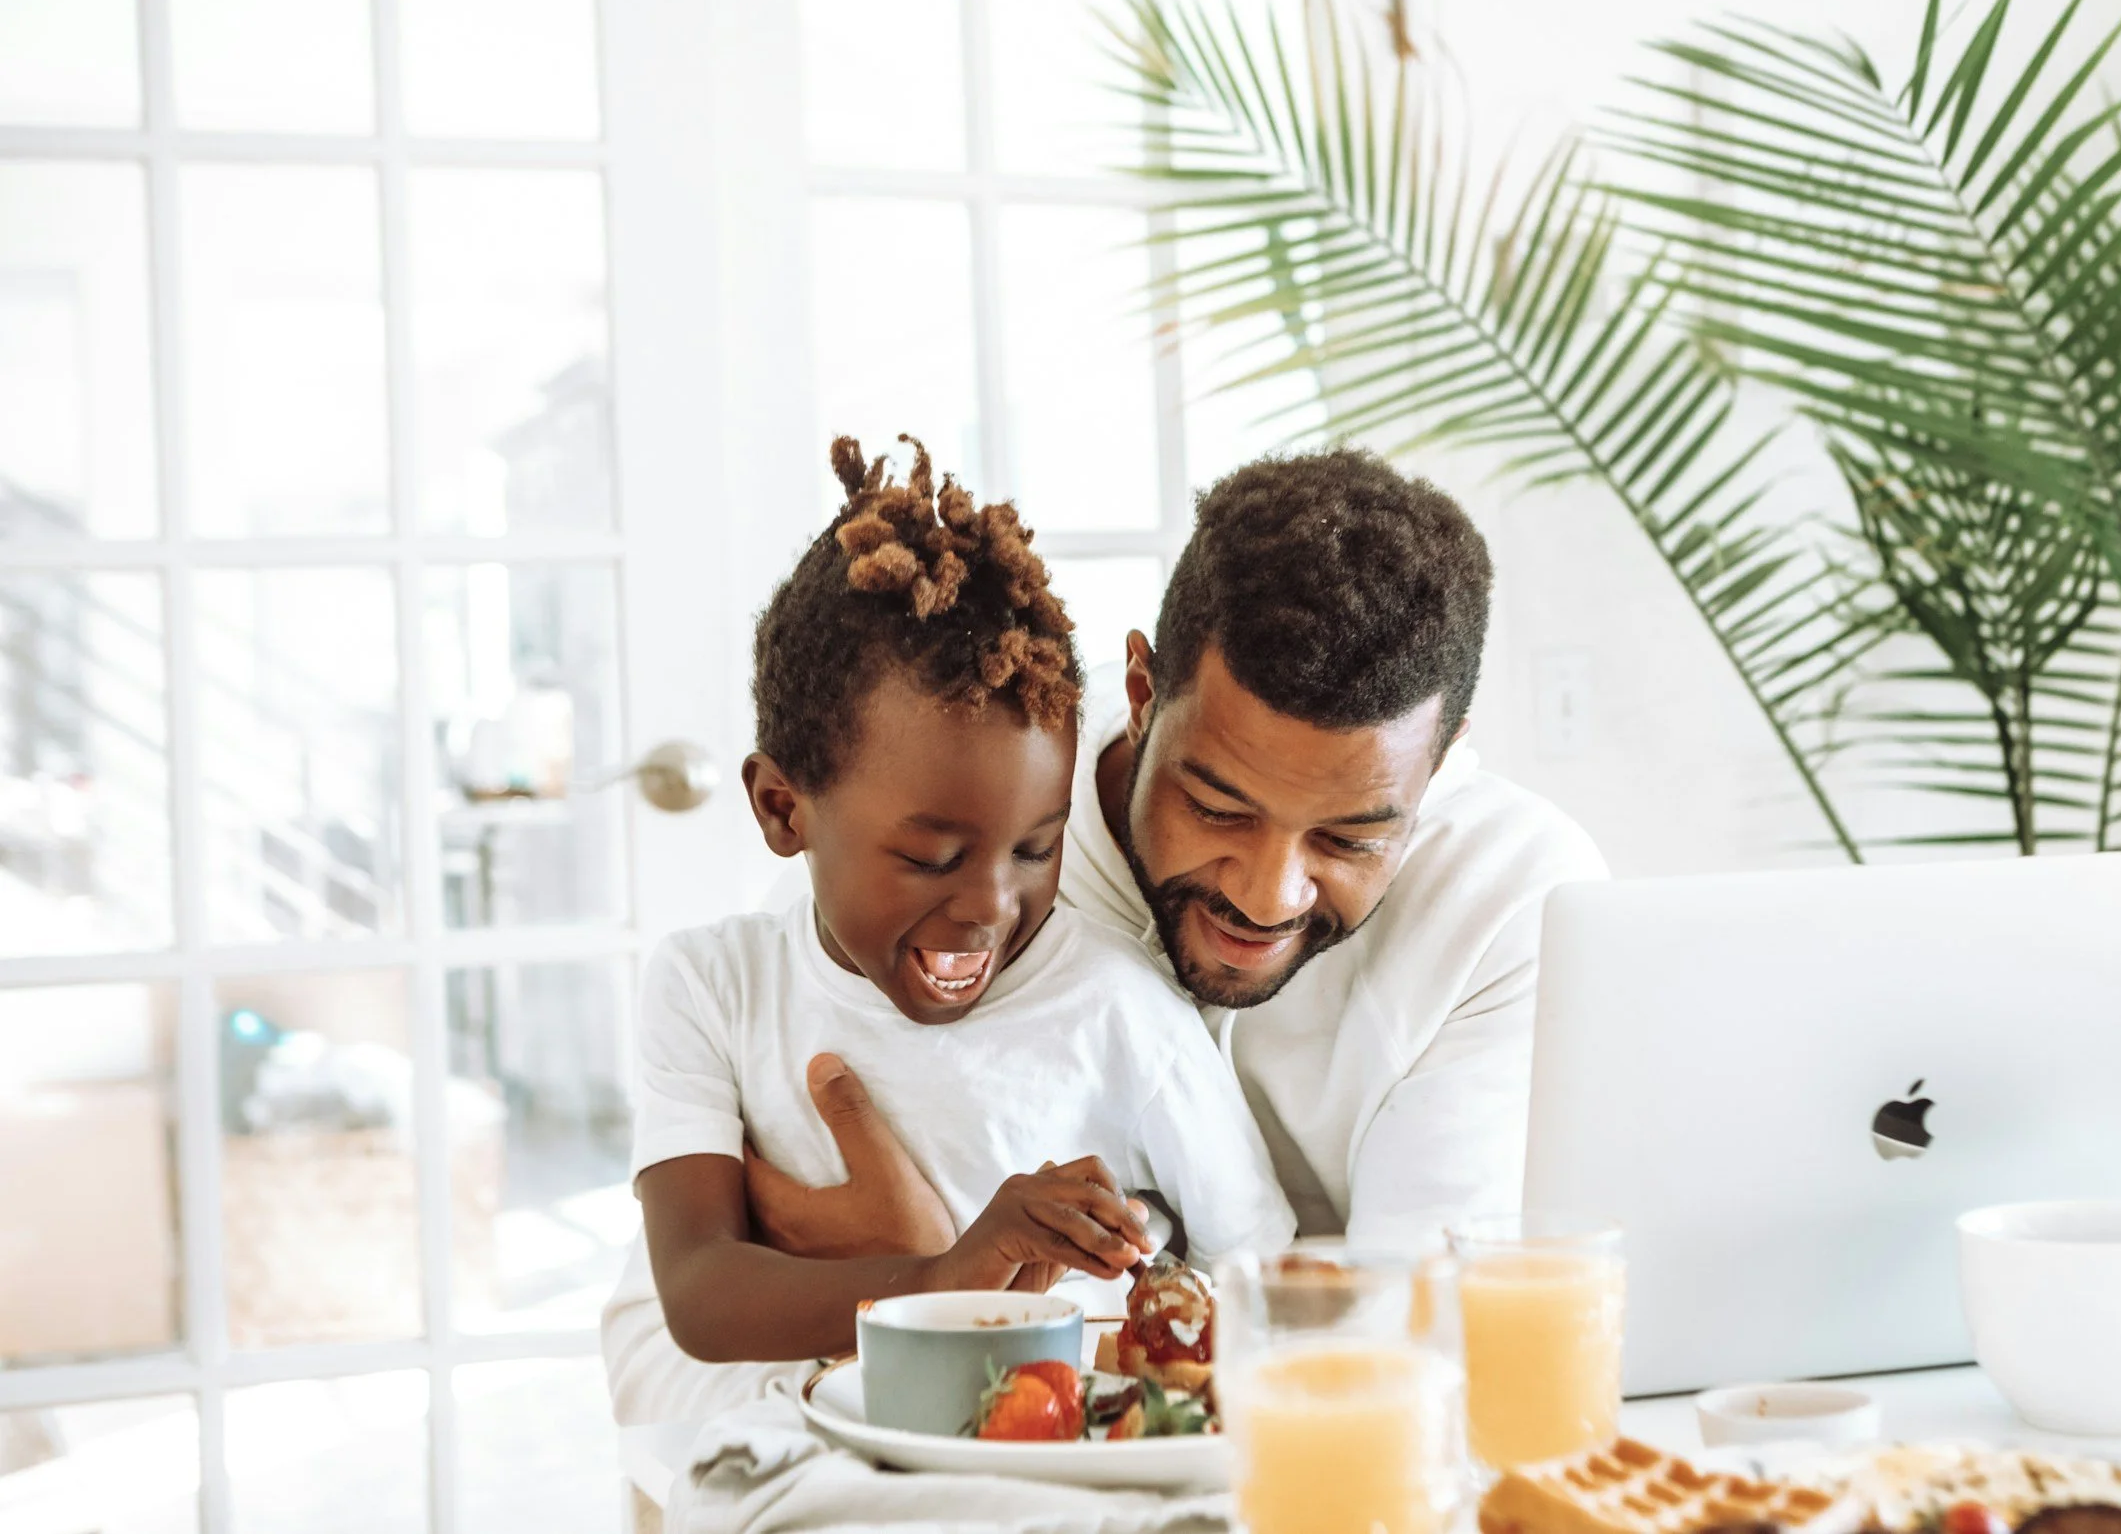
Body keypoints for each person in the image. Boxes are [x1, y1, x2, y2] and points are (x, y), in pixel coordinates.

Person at [745, 449, 1607, 1256]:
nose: (1268, 897)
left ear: (1443, 758)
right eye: (1218, 808)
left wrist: (942, 1284)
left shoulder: (1515, 900)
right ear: (1141, 690)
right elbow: (662, 1343)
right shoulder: (961, 853)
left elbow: (1427, 1331)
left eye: (1347, 838)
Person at [602, 438, 1292, 1425]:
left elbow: (1257, 1263)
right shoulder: (713, 985)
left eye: (1034, 847)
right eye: (931, 856)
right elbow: (702, 1293)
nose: (988, 906)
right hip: (819, 1435)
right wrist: (953, 1270)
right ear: (781, 809)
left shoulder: (1115, 1004)